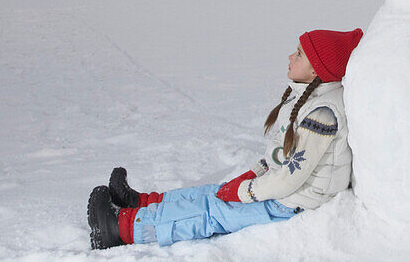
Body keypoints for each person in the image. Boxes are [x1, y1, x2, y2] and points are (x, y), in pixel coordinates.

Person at [86, 28, 363, 249]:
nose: (290, 56)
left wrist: (247, 192)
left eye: (299, 54)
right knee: (210, 193)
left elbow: (291, 177)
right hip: (283, 190)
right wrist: (252, 174)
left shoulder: (323, 114)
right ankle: (141, 202)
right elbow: (280, 156)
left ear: (316, 70)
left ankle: (120, 228)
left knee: (212, 211)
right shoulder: (307, 98)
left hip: (293, 203)